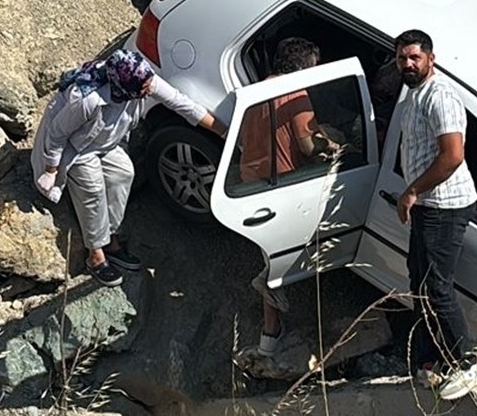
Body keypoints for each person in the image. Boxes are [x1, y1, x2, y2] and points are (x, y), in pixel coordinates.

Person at [31, 48, 224, 287]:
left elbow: (182, 103)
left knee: (124, 173)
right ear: (123, 86)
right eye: (143, 88)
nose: (148, 90)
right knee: (92, 191)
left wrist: (223, 131)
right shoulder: (86, 98)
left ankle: (110, 237)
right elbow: (57, 134)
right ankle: (96, 254)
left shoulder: (140, 79)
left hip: (106, 144)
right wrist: (50, 170)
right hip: (78, 150)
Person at [394, 29, 477, 401]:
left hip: (445, 204)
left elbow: (452, 155)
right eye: (402, 58)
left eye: (415, 58)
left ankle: (470, 361)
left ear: (431, 58)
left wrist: (413, 190)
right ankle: (433, 358)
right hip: (428, 205)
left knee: (437, 285)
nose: (408, 64)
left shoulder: (441, 96)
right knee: (418, 282)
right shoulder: (414, 93)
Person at [234, 36, 332, 358]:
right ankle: (268, 328)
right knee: (286, 253)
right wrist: (331, 146)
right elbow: (307, 147)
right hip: (284, 184)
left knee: (270, 249)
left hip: (251, 179)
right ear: (304, 68)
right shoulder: (296, 95)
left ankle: (270, 335)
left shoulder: (256, 89)